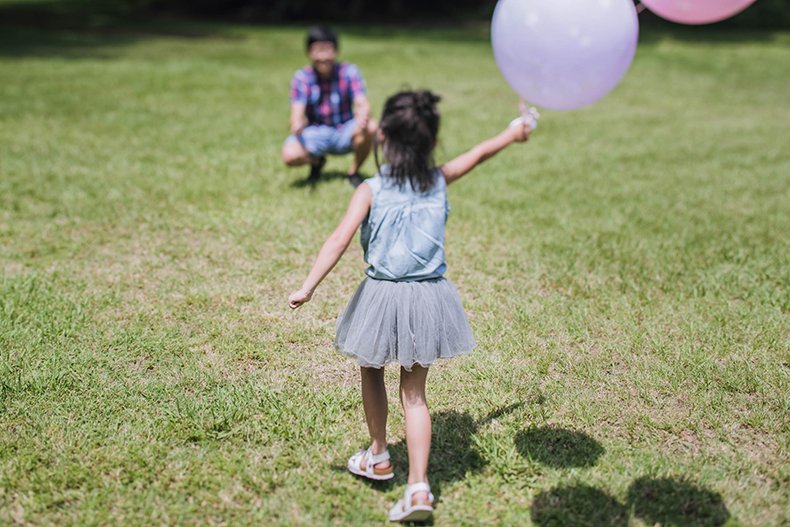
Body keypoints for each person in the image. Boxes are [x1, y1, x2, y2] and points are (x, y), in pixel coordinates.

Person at [287, 90, 532, 522]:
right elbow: (478, 154)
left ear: (382, 137)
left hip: (381, 295)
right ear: (432, 143)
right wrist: (513, 134)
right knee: (415, 395)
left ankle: (379, 454)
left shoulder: (370, 188)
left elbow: (338, 240)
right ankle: (418, 486)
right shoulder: (438, 178)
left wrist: (308, 287)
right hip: (428, 296)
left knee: (371, 370)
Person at [282, 26, 377, 188]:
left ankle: (353, 172)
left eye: (327, 50)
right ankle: (317, 161)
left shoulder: (349, 72)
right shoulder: (302, 77)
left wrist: (363, 113)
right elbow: (297, 111)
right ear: (309, 53)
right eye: (317, 50)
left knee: (372, 126)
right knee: (290, 155)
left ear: (336, 51)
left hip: (345, 129)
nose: (323, 56)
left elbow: (361, 101)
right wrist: (297, 123)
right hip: (316, 131)